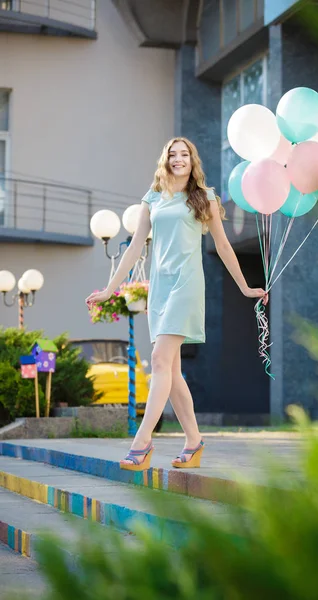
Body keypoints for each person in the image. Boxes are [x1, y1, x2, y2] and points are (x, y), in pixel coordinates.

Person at [86, 137, 268, 471]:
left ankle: (142, 442)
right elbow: (134, 248)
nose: (179, 159)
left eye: (184, 154)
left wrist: (244, 286)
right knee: (172, 371)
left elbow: (225, 247)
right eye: (173, 154)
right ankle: (194, 441)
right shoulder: (152, 198)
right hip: (160, 288)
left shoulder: (205, 198)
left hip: (187, 285)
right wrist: (110, 289)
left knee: (158, 359)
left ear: (192, 160)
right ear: (166, 160)